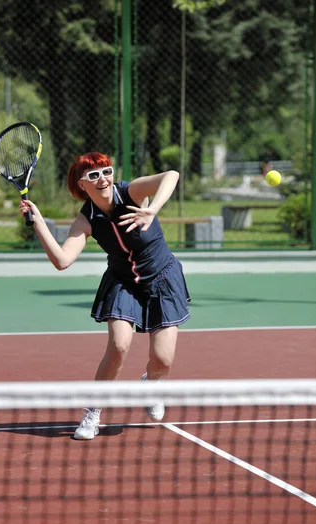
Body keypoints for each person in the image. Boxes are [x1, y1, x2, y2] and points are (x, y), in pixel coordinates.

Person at [19, 152, 191, 440]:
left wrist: (153, 208)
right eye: (94, 175)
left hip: (162, 278)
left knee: (162, 360)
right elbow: (62, 260)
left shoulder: (130, 192)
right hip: (123, 282)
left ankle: (152, 383)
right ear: (81, 185)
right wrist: (38, 223)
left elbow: (171, 175)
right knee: (119, 345)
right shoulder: (87, 219)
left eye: (107, 171)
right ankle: (93, 411)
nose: (103, 179)